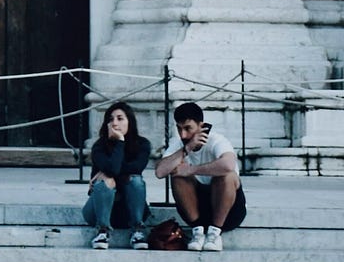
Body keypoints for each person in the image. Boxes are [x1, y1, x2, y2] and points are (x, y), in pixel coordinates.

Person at [154, 101, 246, 251]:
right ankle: (198, 233)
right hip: (198, 212)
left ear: (201, 126)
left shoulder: (217, 140)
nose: (183, 134)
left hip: (229, 212)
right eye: (179, 129)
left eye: (188, 128)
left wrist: (191, 170)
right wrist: (187, 149)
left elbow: (229, 165)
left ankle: (215, 233)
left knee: (226, 175)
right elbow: (160, 172)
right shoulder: (180, 145)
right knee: (176, 174)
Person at [82, 102, 151, 250]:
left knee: (135, 180)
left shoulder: (142, 145)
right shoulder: (99, 147)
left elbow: (135, 168)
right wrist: (119, 142)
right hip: (97, 211)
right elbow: (113, 170)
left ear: (129, 122)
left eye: (120, 118)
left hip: (129, 210)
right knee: (105, 182)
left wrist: (108, 173)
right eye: (111, 119)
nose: (115, 123)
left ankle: (138, 230)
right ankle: (102, 231)